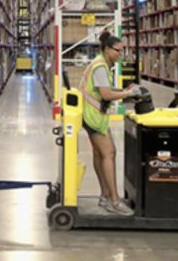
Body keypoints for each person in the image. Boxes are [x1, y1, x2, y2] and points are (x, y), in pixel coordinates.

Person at [77, 31, 141, 216]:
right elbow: (106, 95)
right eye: (118, 51)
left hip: (93, 115)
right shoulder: (100, 66)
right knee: (109, 153)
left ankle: (105, 195)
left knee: (100, 154)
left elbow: (104, 89)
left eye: (122, 51)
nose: (120, 55)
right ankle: (113, 200)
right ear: (107, 49)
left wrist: (123, 90)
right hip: (94, 116)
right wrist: (129, 94)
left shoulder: (101, 64)